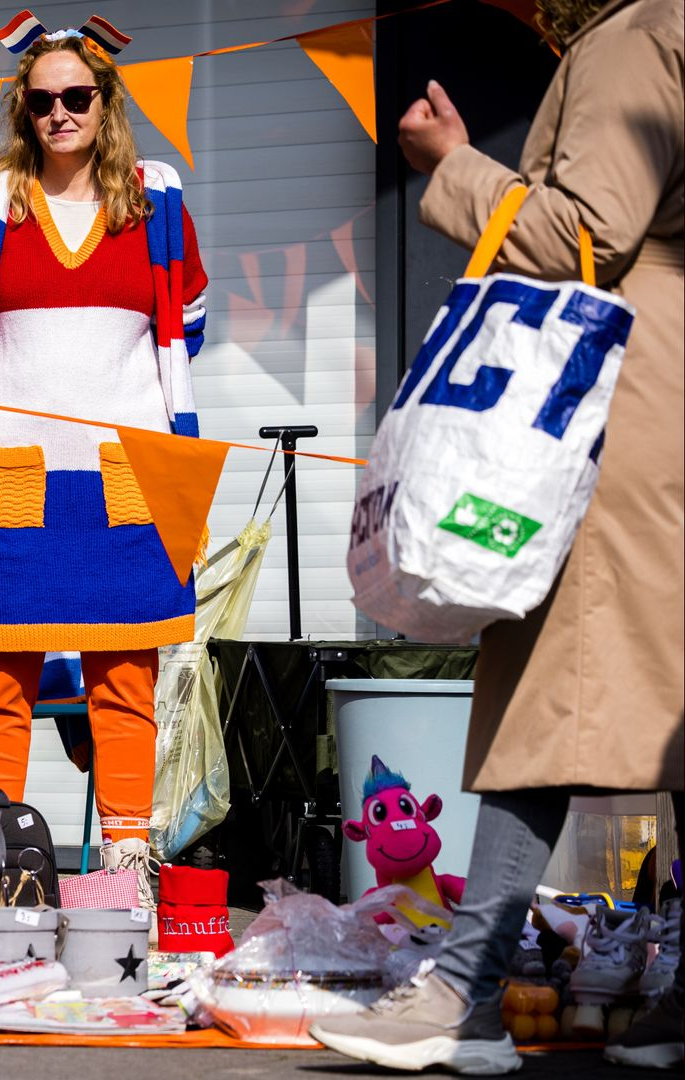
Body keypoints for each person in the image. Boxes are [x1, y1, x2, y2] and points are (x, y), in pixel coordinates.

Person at [310, 0, 683, 1073]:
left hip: (622, 388)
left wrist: (453, 163)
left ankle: (464, 994)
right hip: (669, 386)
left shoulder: (637, 34)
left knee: (546, 682)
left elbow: (587, 234)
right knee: (665, 700)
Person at [0, 16, 207, 908]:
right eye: (39, 100)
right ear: (23, 108)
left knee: (125, 678)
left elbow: (189, 327)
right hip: (13, 469)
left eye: (75, 96)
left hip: (129, 471)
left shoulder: (157, 203)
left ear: (106, 102)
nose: (58, 113)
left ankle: (126, 876)